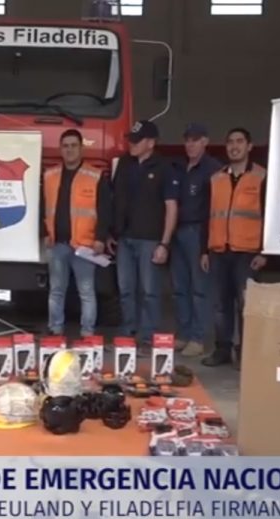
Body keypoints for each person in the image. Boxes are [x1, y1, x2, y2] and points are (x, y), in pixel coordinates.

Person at [200, 127, 268, 369]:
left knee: (245, 304)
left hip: (248, 252)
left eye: (240, 142)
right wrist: (204, 250)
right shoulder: (216, 178)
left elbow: (270, 216)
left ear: (249, 146)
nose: (234, 146)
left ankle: (246, 353)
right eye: (230, 142)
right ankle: (222, 350)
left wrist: (265, 251)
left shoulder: (261, 177)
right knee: (220, 304)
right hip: (219, 250)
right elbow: (207, 216)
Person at [109, 120, 179, 349]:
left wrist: (164, 244)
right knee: (126, 290)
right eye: (131, 139)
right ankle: (127, 334)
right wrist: (111, 233)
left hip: (150, 240)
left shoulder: (164, 168)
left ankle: (148, 336)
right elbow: (115, 200)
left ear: (151, 143)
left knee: (149, 291)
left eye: (137, 141)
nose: (132, 144)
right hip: (124, 239)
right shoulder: (124, 164)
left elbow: (171, 207)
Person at [43, 129, 111, 337]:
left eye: (73, 145)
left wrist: (100, 238)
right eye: (65, 146)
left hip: (85, 245)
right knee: (56, 290)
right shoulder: (50, 175)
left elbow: (105, 210)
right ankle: (55, 330)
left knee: (87, 292)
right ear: (60, 149)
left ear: (81, 148)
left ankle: (87, 332)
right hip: (58, 243)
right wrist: (44, 233)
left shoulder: (95, 176)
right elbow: (43, 206)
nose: (69, 150)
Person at [171, 123, 222, 358]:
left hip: (198, 232)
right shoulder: (180, 167)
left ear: (205, 142)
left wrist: (205, 247)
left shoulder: (213, 170)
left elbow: (214, 211)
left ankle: (198, 338)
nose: (190, 144)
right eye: (187, 140)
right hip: (178, 231)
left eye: (195, 140)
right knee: (180, 287)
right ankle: (183, 334)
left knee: (199, 289)